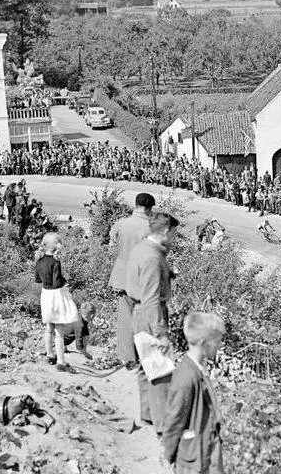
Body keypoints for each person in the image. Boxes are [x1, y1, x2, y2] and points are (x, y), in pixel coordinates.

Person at [127, 212, 180, 436]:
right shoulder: (152, 257)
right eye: (174, 233)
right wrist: (161, 333)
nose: (174, 238)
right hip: (150, 314)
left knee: (145, 366)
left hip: (139, 313)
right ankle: (163, 427)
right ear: (166, 231)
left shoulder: (143, 248)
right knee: (160, 370)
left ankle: (148, 414)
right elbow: (150, 299)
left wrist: (168, 275)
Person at [163, 312, 226, 474]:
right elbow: (174, 420)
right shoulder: (186, 376)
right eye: (218, 341)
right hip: (193, 460)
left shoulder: (198, 368)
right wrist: (168, 456)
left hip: (205, 451)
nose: (220, 345)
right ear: (205, 342)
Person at [109, 192, 155, 368]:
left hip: (123, 276)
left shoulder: (121, 223)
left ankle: (127, 357)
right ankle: (145, 358)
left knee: (125, 318)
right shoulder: (152, 227)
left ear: (136, 205)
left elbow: (113, 241)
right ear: (150, 208)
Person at [35, 233, 80, 373]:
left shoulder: (39, 260)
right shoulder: (56, 262)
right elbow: (57, 282)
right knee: (59, 331)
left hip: (45, 294)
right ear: (55, 245)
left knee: (48, 327)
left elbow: (37, 279)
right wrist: (65, 282)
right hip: (56, 295)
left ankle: (49, 354)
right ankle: (61, 361)